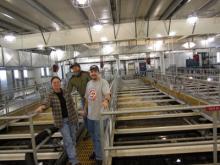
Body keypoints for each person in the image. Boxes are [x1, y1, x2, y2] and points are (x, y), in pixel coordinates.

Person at [35, 76, 81, 165]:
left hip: (72, 118)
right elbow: (46, 103)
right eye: (54, 83)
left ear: (60, 83)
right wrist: (42, 107)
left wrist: (78, 112)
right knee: (68, 140)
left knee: (73, 139)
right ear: (51, 85)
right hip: (61, 121)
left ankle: (70, 153)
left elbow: (72, 103)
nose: (56, 84)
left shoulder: (66, 92)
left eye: (58, 82)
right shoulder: (50, 95)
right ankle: (74, 161)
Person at [84, 65, 111, 165]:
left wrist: (106, 101)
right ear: (90, 73)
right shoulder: (89, 83)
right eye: (92, 71)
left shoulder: (103, 82)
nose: (93, 73)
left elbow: (107, 94)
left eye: (95, 71)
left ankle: (99, 159)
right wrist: (85, 110)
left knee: (99, 138)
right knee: (93, 136)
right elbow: (87, 98)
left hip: (100, 116)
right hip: (90, 116)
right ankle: (96, 152)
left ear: (98, 72)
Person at [67, 63, 91, 141]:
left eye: (75, 68)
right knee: (85, 116)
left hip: (92, 97)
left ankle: (94, 130)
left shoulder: (86, 74)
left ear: (79, 68)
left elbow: (94, 83)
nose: (74, 69)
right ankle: (88, 130)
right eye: (73, 68)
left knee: (92, 115)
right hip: (83, 98)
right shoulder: (72, 79)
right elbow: (68, 91)